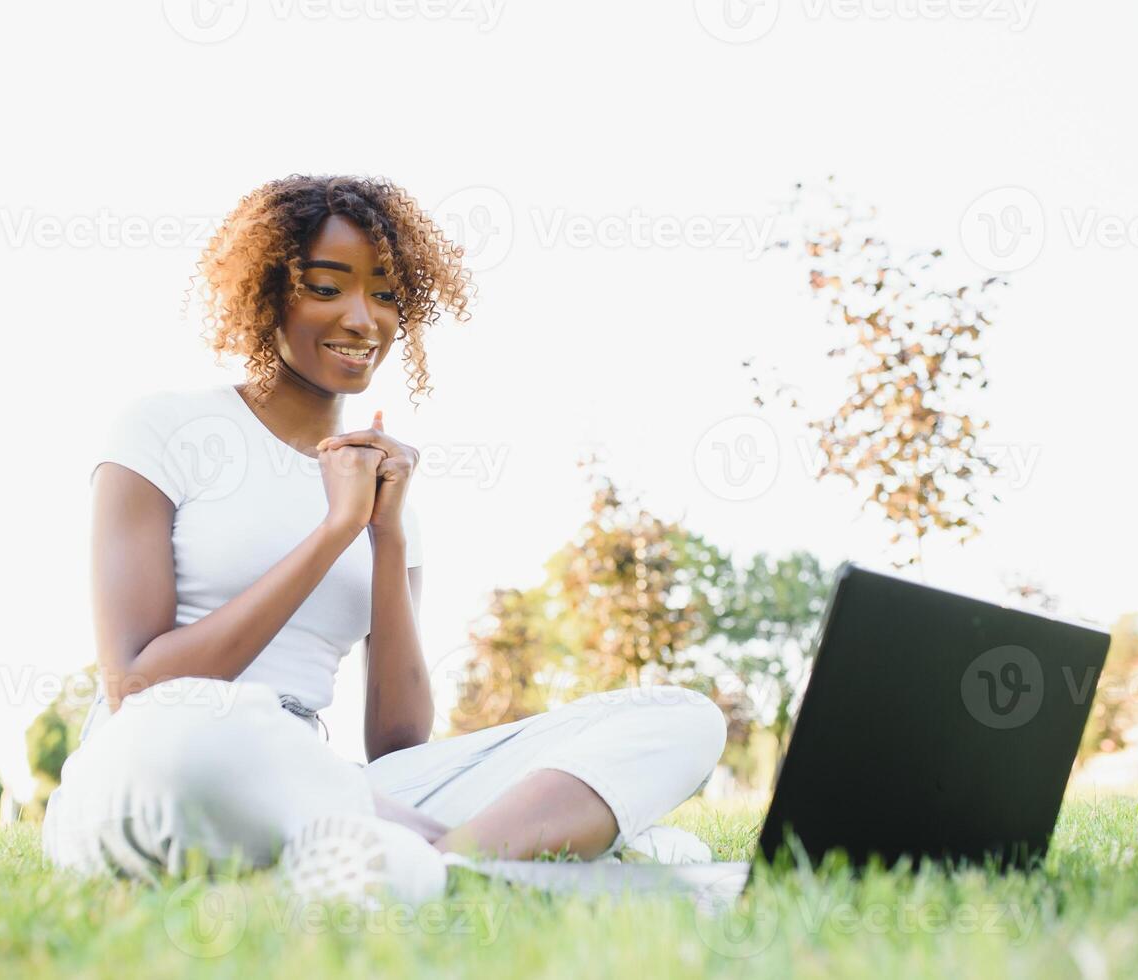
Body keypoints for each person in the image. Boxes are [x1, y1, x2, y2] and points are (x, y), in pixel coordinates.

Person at [40, 174, 727, 905]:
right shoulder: (164, 429)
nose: (363, 319)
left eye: (387, 294)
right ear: (268, 292)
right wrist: (335, 532)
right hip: (165, 755)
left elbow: (397, 744)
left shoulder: (386, 493)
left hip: (331, 780)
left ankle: (442, 866)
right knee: (211, 731)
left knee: (682, 719)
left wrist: (387, 536)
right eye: (328, 287)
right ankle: (526, 856)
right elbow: (138, 685)